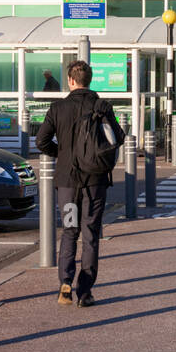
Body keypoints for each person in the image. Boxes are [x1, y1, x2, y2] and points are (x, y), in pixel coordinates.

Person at [35, 60, 124, 307]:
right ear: (89, 79)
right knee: (91, 234)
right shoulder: (101, 106)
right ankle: (85, 292)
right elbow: (119, 138)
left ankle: (65, 281)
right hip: (94, 181)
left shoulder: (58, 108)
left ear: (71, 80)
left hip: (67, 183)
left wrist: (61, 153)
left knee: (70, 230)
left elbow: (41, 141)